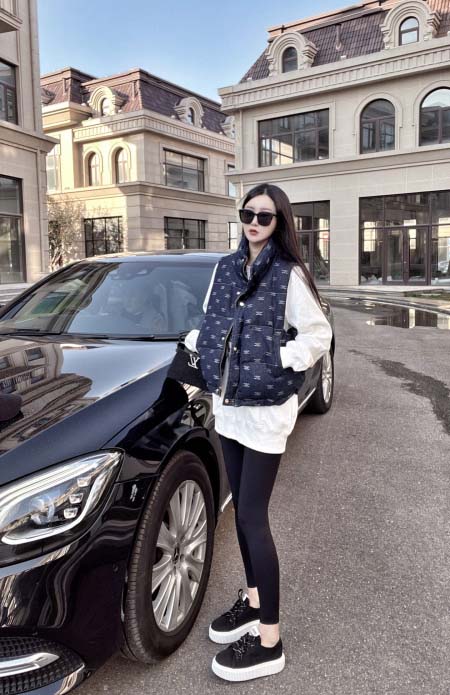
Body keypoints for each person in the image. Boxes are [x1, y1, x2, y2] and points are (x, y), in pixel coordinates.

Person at [183, 182, 333, 682]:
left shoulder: (289, 274)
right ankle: (252, 602)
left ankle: (270, 641)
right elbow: (212, 321)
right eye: (248, 213)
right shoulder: (226, 267)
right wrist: (197, 350)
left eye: (264, 217)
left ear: (279, 222)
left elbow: (318, 334)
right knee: (244, 519)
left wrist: (279, 358)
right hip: (228, 406)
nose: (253, 223)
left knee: (250, 517)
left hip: (266, 410)